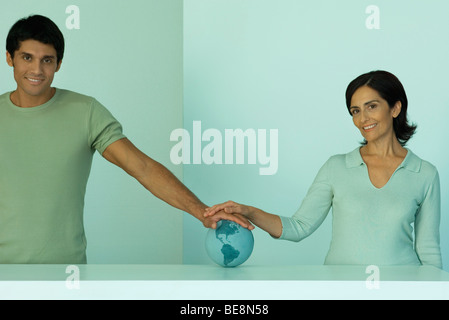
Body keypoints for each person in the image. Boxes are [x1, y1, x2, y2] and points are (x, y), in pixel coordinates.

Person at [0, 15, 252, 264]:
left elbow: (141, 167)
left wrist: (201, 211)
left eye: (47, 60)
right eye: (26, 57)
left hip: (65, 274)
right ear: (10, 57)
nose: (37, 70)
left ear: (59, 64)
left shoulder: (85, 112)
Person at [206, 70, 442, 268]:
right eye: (355, 110)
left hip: (401, 291)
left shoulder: (424, 173)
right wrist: (248, 211)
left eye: (372, 106)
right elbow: (299, 227)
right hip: (340, 289)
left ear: (395, 108)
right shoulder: (336, 167)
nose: (363, 118)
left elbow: (428, 250)